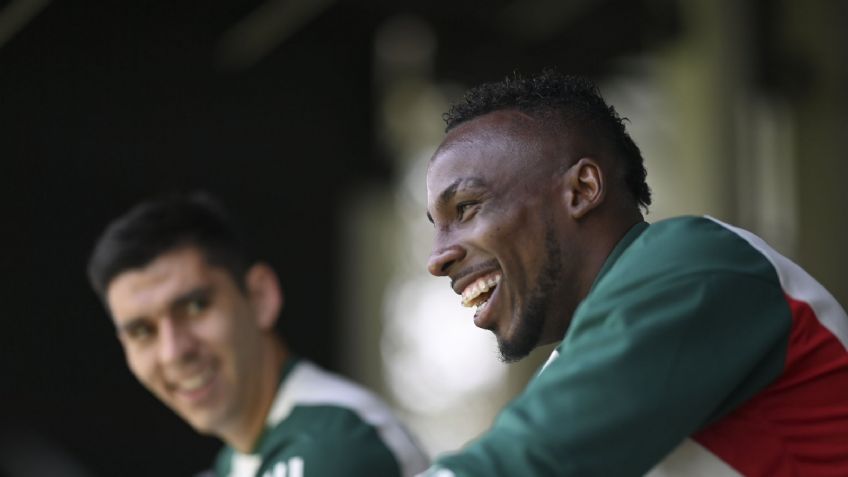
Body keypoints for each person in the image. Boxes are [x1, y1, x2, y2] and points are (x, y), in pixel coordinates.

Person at [421, 70, 848, 476]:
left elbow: (530, 461)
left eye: (466, 208)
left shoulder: (692, 264)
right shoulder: (573, 366)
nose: (437, 258)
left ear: (582, 190)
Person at [87, 193, 428, 477]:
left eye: (195, 307)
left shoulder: (336, 443)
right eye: (143, 331)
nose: (173, 351)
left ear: (260, 297)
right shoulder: (239, 461)